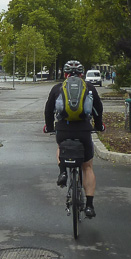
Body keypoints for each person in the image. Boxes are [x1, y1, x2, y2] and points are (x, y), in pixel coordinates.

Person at [44, 59, 104, 218]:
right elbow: (98, 108)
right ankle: (90, 206)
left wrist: (49, 127)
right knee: (87, 167)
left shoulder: (58, 88)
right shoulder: (89, 88)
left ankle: (63, 172)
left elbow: (48, 109)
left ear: (65, 74)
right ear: (82, 74)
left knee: (60, 147)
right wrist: (99, 126)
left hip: (64, 129)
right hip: (83, 130)